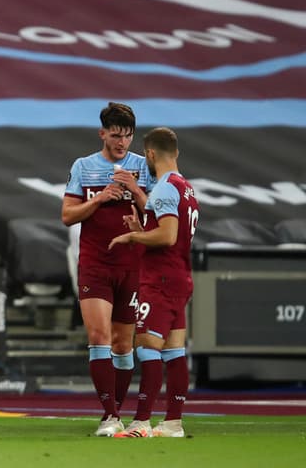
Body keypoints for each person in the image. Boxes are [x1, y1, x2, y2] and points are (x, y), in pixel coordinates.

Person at [61, 102, 153, 436]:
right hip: (96, 262)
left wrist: (136, 190)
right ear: (103, 133)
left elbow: (157, 218)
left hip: (132, 264)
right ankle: (111, 416)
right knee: (98, 337)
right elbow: (68, 215)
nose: (122, 142)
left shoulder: (143, 167)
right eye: (116, 135)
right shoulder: (84, 167)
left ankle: (115, 411)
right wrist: (100, 198)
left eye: (128, 136)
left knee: (123, 344)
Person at [109, 127, 197, 439]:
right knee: (174, 351)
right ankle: (173, 422)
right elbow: (168, 231)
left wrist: (133, 235)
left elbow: (168, 235)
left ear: (149, 154)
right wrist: (142, 226)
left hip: (159, 279)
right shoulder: (185, 187)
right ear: (176, 152)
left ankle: (141, 422)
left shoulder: (163, 189)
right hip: (180, 278)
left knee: (146, 348)